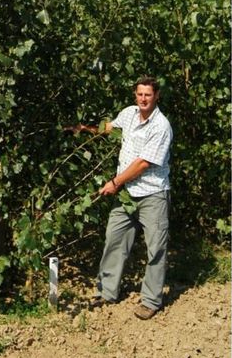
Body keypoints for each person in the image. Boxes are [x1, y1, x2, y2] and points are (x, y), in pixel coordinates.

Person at [72, 76, 173, 318]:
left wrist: (115, 183)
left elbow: (142, 164)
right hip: (127, 195)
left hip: (152, 194)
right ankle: (107, 291)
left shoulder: (161, 126)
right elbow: (111, 129)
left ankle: (150, 301)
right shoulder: (129, 113)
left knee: (155, 248)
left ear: (156, 96)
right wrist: (86, 130)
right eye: (139, 94)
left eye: (148, 94)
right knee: (114, 239)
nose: (143, 99)